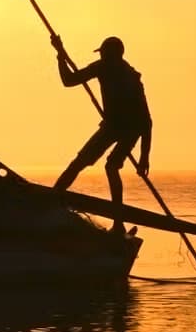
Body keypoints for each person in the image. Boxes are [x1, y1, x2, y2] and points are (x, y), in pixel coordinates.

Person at [51, 35, 152, 209]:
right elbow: (147, 122)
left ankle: (52, 198)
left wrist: (60, 54)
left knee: (91, 163)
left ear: (110, 55)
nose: (100, 56)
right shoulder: (126, 73)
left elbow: (68, 80)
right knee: (103, 166)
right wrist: (61, 53)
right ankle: (54, 197)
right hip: (122, 127)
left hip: (122, 128)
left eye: (103, 53)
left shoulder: (109, 69)